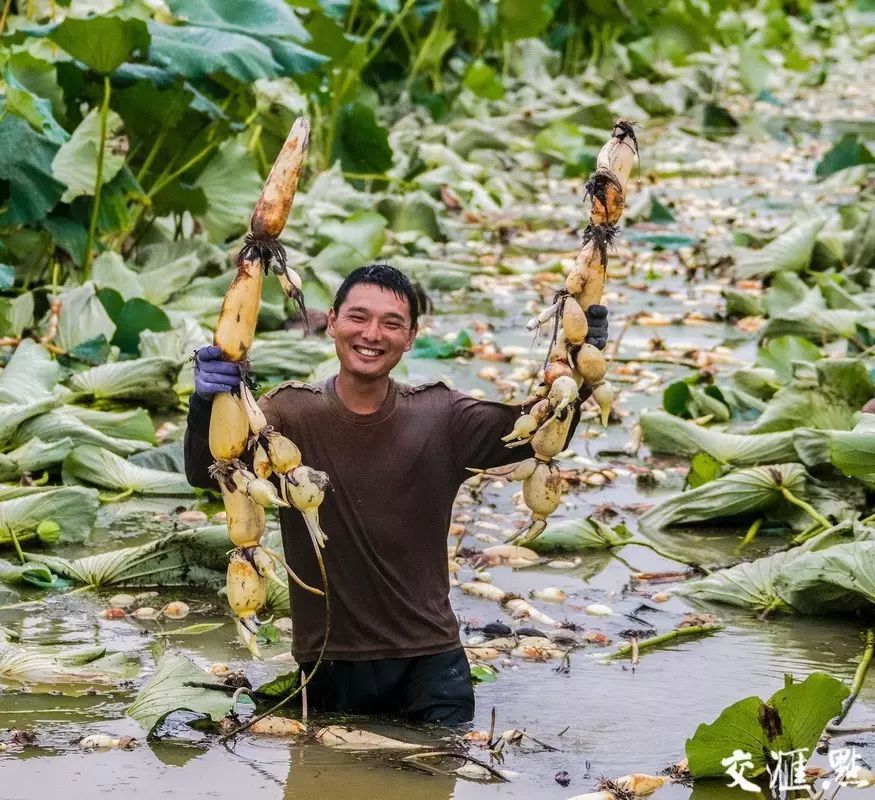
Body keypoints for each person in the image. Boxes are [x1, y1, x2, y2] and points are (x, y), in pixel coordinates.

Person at [184, 264, 608, 725]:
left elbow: (543, 433)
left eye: (391, 323)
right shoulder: (287, 414)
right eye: (358, 317)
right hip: (327, 664)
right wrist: (206, 401)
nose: (372, 334)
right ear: (331, 322)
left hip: (430, 666)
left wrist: (578, 368)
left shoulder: (441, 414)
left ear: (411, 337)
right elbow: (209, 473)